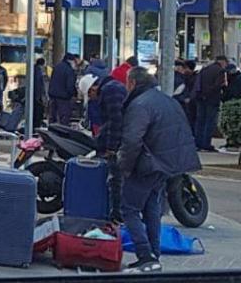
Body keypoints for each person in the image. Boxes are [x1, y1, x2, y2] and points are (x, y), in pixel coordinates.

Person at [119, 67, 201, 273]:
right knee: (151, 209)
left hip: (147, 165)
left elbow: (132, 141)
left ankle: (146, 256)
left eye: (126, 83)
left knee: (129, 210)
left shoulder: (139, 105)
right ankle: (154, 254)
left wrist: (124, 167)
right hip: (166, 165)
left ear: (133, 83)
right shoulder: (167, 100)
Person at [79, 73, 128, 223]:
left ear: (93, 89)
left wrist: (111, 147)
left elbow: (116, 120)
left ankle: (119, 214)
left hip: (121, 143)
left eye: (90, 95)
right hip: (122, 140)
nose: (92, 99)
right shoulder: (112, 88)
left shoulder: (110, 91)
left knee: (117, 179)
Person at [195, 55, 228, 152]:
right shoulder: (220, 71)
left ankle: (198, 143)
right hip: (212, 99)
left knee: (200, 121)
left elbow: (198, 83)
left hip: (201, 98)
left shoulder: (204, 69)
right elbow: (217, 86)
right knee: (210, 122)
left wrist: (201, 94)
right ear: (223, 62)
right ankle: (206, 143)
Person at [49, 53, 79, 125]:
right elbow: (70, 85)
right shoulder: (69, 70)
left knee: (53, 117)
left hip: (53, 95)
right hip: (64, 97)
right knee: (64, 118)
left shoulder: (56, 67)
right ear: (70, 61)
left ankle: (51, 132)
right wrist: (73, 94)